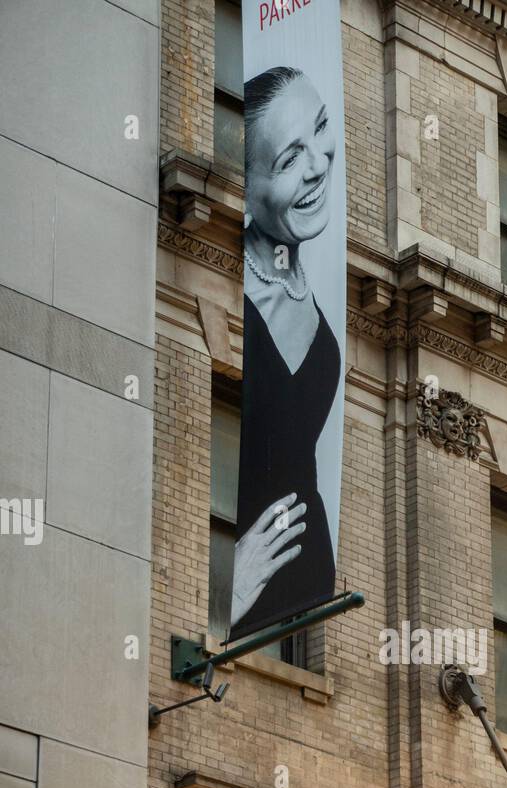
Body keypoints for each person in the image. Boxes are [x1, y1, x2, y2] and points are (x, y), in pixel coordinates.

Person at [230, 65, 340, 639]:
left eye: (319, 131)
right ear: (246, 190)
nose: (318, 165)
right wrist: (230, 581)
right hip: (243, 618)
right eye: (288, 159)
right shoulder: (226, 293)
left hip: (312, 594)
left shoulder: (315, 291)